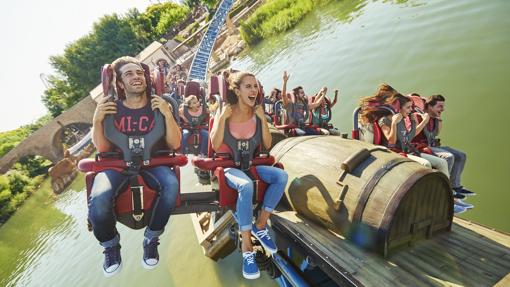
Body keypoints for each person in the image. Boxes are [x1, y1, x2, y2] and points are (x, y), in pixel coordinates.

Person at [90, 56, 181, 276]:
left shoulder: (159, 106)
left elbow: (175, 144)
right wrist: (97, 121)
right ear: (120, 83)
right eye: (129, 74)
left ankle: (152, 238)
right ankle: (110, 245)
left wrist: (167, 113)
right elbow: (102, 149)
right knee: (99, 197)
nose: (136, 77)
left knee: (170, 184)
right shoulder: (111, 108)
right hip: (118, 165)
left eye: (139, 73)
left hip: (153, 162)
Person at [210, 71, 288, 280]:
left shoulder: (257, 113)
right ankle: (247, 248)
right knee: (245, 185)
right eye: (248, 86)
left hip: (251, 164)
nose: (254, 90)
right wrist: (222, 118)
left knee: (280, 177)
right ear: (237, 90)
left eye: (255, 86)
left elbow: (267, 144)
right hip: (230, 168)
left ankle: (260, 224)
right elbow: (215, 145)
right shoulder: (225, 112)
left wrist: (263, 119)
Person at [377, 94, 450, 177]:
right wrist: (394, 123)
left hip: (408, 150)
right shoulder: (384, 120)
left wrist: (415, 122)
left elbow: (408, 138)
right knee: (426, 164)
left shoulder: (402, 118)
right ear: (398, 108)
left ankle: (446, 189)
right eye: (408, 107)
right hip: (395, 152)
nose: (411, 110)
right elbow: (391, 141)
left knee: (442, 163)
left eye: (411, 107)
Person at [418, 94, 475, 197]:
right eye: (439, 106)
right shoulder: (419, 117)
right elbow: (413, 134)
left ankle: (455, 186)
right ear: (430, 107)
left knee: (461, 155)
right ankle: (444, 189)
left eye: (443, 106)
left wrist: (439, 118)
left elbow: (435, 134)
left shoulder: (434, 117)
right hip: (421, 147)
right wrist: (424, 121)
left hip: (432, 144)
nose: (443, 109)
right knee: (448, 157)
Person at [281, 71, 326, 135]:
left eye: (303, 92)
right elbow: (283, 95)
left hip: (303, 128)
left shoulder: (304, 106)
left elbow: (317, 104)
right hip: (293, 129)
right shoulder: (290, 104)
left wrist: (323, 94)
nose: (304, 94)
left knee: (319, 132)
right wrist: (285, 82)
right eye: (301, 93)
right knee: (301, 133)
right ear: (297, 95)